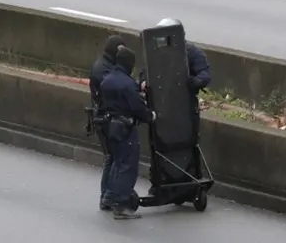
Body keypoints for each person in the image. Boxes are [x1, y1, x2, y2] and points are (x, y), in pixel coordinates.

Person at [140, 18, 211, 193]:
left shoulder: (191, 53)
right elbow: (143, 74)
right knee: (159, 143)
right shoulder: (154, 54)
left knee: (189, 142)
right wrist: (142, 83)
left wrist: (197, 81)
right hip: (161, 106)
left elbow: (205, 73)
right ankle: (160, 178)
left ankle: (192, 176)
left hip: (183, 107)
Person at [100, 46, 156, 219]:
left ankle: (109, 196)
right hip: (124, 128)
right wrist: (150, 116)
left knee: (116, 162)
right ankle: (122, 205)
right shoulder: (127, 84)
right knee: (127, 166)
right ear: (129, 64)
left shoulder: (107, 80)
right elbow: (137, 106)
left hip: (109, 126)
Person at [88, 34, 126, 211]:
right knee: (113, 157)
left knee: (111, 157)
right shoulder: (105, 70)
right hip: (106, 119)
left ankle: (107, 194)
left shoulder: (104, 65)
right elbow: (115, 92)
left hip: (102, 117)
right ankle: (108, 195)